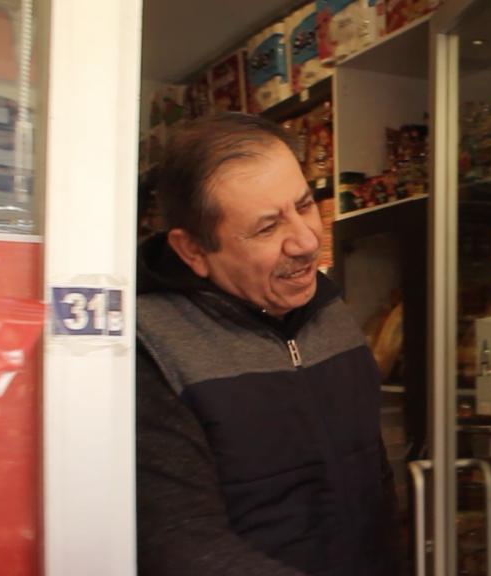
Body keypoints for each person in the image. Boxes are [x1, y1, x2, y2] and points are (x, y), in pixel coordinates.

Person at [136, 113, 399, 576]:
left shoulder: (328, 310)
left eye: (304, 205)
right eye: (266, 228)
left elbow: (373, 477)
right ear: (194, 250)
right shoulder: (152, 350)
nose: (306, 241)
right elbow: (182, 544)